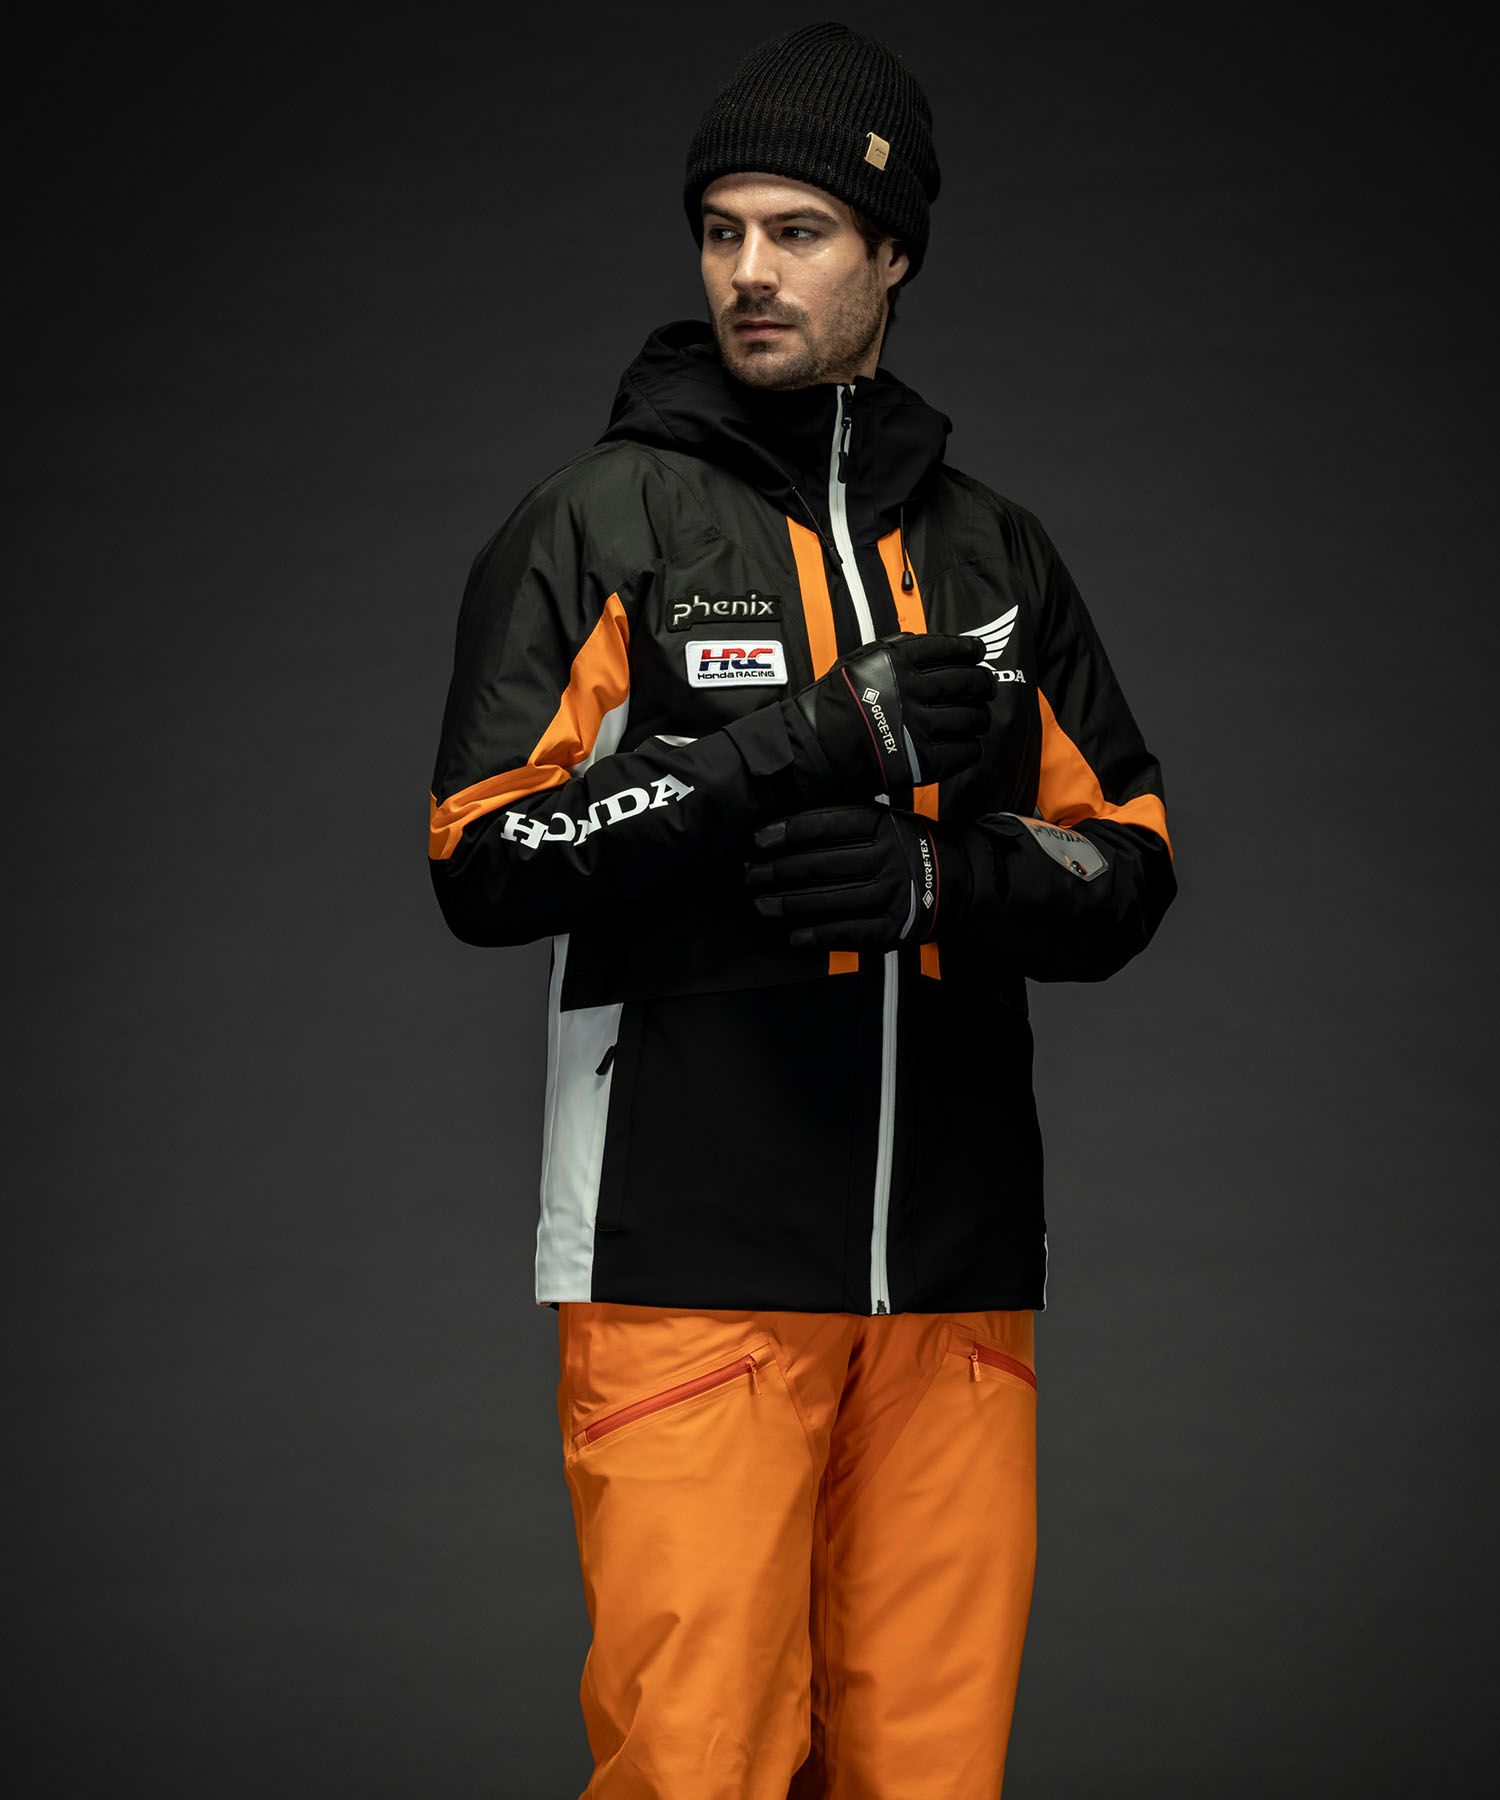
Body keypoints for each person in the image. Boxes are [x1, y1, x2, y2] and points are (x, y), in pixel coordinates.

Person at [426, 20, 1176, 1797]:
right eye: (722, 231)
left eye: (800, 231)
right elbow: (485, 858)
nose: (749, 271)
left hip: (957, 1289)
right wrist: (789, 746)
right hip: (688, 1266)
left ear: (892, 252)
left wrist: (940, 880)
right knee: (700, 1765)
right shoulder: (598, 523)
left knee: (931, 1770)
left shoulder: (996, 554)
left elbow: (1132, 858)